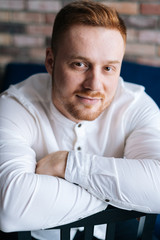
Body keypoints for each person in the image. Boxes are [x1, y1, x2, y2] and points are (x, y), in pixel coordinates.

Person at [0, 0, 160, 240]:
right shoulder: (14, 105)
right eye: (80, 64)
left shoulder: (136, 105)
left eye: (108, 68)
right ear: (51, 62)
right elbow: (11, 208)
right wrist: (124, 199)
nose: (94, 85)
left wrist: (68, 165)